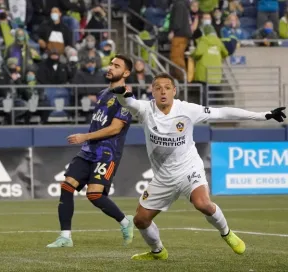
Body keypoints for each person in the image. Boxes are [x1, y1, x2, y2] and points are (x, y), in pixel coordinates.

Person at [110, 72, 286, 260]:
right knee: (140, 220)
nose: (163, 92)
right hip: (163, 177)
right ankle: (158, 251)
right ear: (152, 91)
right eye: (158, 88)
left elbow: (223, 112)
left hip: (188, 169)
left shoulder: (187, 110)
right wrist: (122, 94)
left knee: (202, 203)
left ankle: (227, 233)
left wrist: (263, 115)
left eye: (167, 88)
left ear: (174, 91)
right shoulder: (146, 109)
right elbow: (129, 103)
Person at [46, 54, 136, 248]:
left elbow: (115, 128)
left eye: (116, 65)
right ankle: (65, 237)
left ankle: (125, 221)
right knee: (67, 186)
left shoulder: (127, 98)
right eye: (110, 64)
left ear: (126, 73)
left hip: (107, 153)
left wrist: (84, 137)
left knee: (94, 195)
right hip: (88, 151)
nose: (110, 67)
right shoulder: (103, 93)